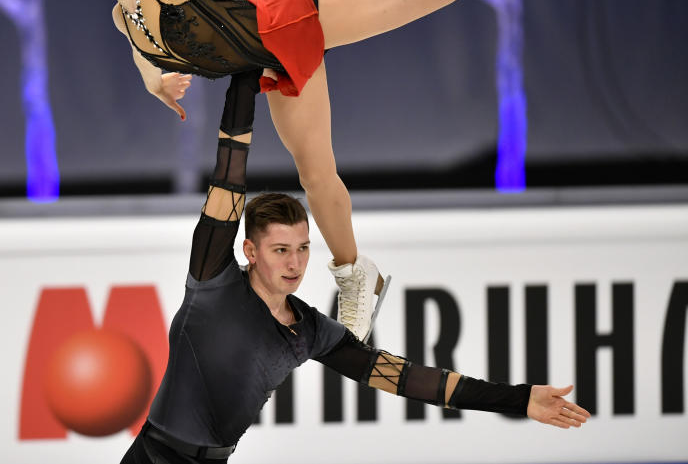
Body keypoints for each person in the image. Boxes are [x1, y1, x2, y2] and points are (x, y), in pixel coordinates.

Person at [72, 0, 469, 340]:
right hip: (273, 67)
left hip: (292, 18)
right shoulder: (124, 20)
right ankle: (355, 277)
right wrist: (158, 86)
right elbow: (144, 59)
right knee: (316, 175)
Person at [119, 71, 590, 464]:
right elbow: (228, 177)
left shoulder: (309, 331)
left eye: (303, 248)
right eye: (281, 250)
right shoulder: (212, 281)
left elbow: (406, 378)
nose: (296, 262)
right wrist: (243, 81)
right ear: (250, 251)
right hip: (153, 456)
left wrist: (519, 398)